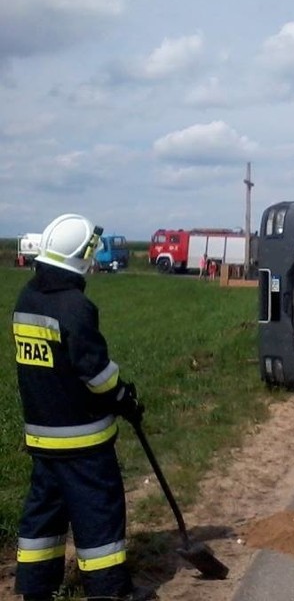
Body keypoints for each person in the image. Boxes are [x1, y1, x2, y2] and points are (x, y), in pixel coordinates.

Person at [12, 214, 152, 601]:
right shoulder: (76, 306)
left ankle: (36, 589)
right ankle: (110, 591)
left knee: (44, 514)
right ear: (83, 254)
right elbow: (95, 373)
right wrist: (122, 397)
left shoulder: (27, 298)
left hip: (42, 436)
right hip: (83, 442)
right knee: (98, 515)